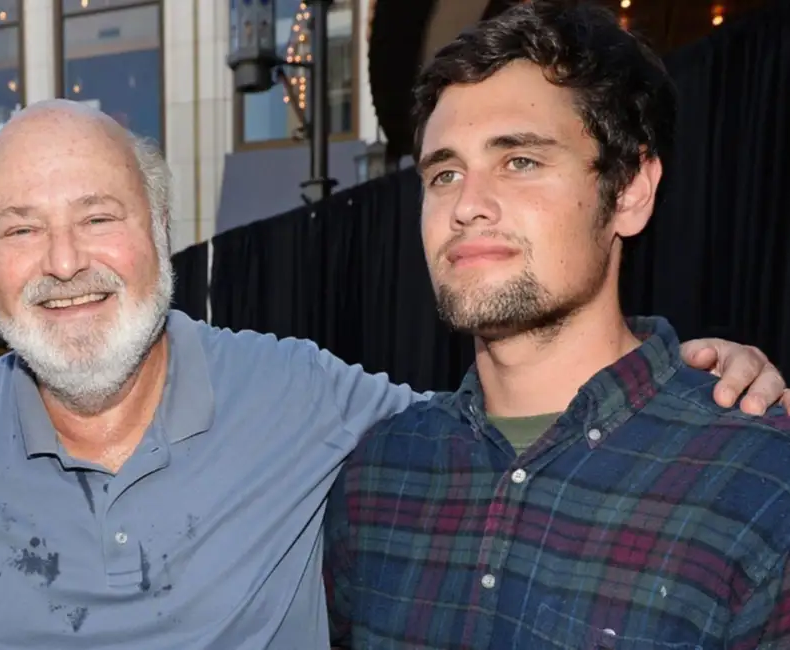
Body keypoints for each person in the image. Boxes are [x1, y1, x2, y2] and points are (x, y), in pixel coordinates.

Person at [0, 98, 789, 649]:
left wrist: (683, 380)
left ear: (161, 232)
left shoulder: (298, 395)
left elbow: (501, 418)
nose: (64, 261)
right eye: (19, 229)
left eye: (99, 217)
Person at [324, 3, 790, 649]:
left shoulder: (760, 480)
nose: (467, 205)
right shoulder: (378, 473)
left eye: (519, 161)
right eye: (445, 173)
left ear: (629, 192)